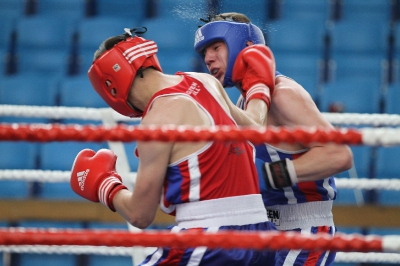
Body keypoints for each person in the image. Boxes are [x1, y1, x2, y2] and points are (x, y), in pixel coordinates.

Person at [69, 27, 277, 265]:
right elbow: (257, 132)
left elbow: (140, 214)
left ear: (110, 86)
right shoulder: (205, 81)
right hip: (262, 236)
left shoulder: (157, 120)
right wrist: (259, 88)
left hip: (210, 239)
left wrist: (105, 185)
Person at [194, 13, 353, 266]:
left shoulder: (282, 94)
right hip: (265, 229)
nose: (208, 58)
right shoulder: (245, 102)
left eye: (216, 47)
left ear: (244, 47)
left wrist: (271, 175)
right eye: (204, 52)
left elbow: (339, 154)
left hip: (303, 232)